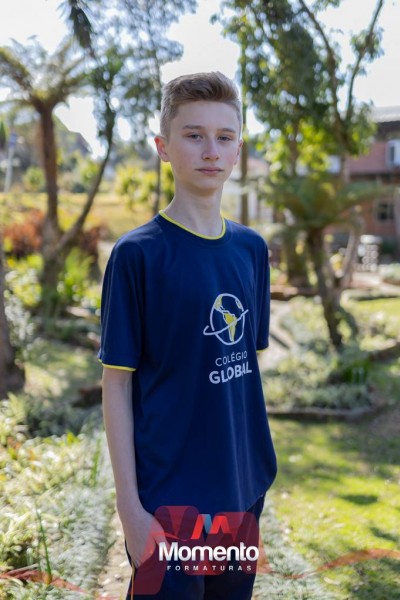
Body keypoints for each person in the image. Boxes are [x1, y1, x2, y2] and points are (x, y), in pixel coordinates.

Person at [98, 71, 277, 600]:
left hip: (243, 497)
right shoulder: (138, 255)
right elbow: (116, 384)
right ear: (164, 148)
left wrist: (251, 478)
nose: (211, 150)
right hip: (168, 507)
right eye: (194, 135)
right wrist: (130, 511)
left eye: (224, 137)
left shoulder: (251, 250)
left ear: (238, 150)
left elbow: (242, 369)